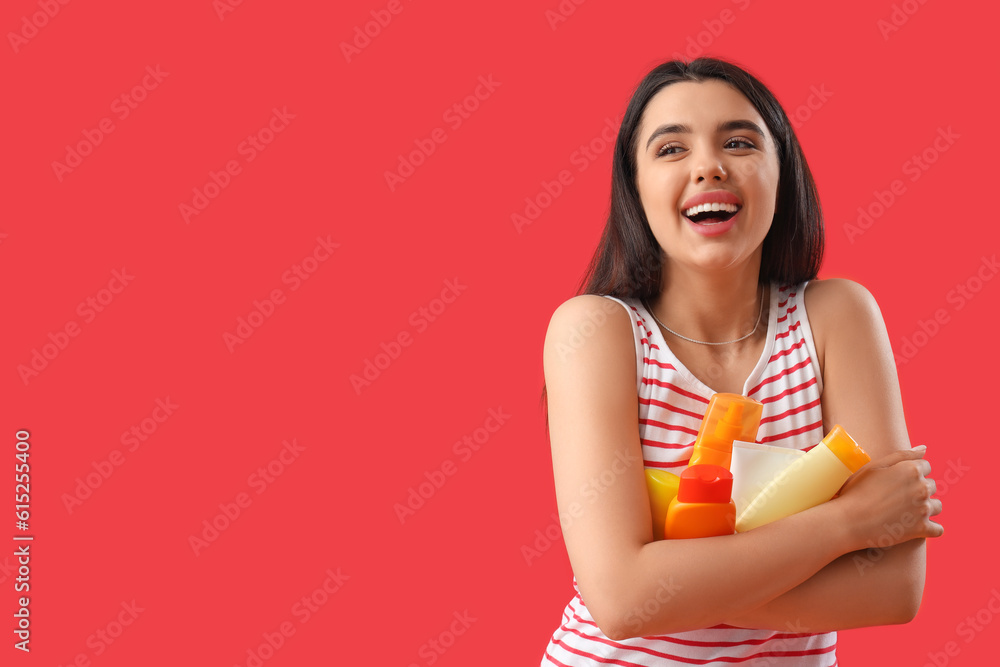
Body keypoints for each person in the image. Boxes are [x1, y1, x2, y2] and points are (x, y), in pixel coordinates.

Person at [538, 57, 943, 666]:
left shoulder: (837, 318)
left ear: (781, 174)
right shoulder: (595, 332)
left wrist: (673, 582)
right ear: (636, 188)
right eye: (670, 149)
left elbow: (893, 589)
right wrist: (848, 524)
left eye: (738, 141)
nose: (708, 166)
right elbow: (620, 602)